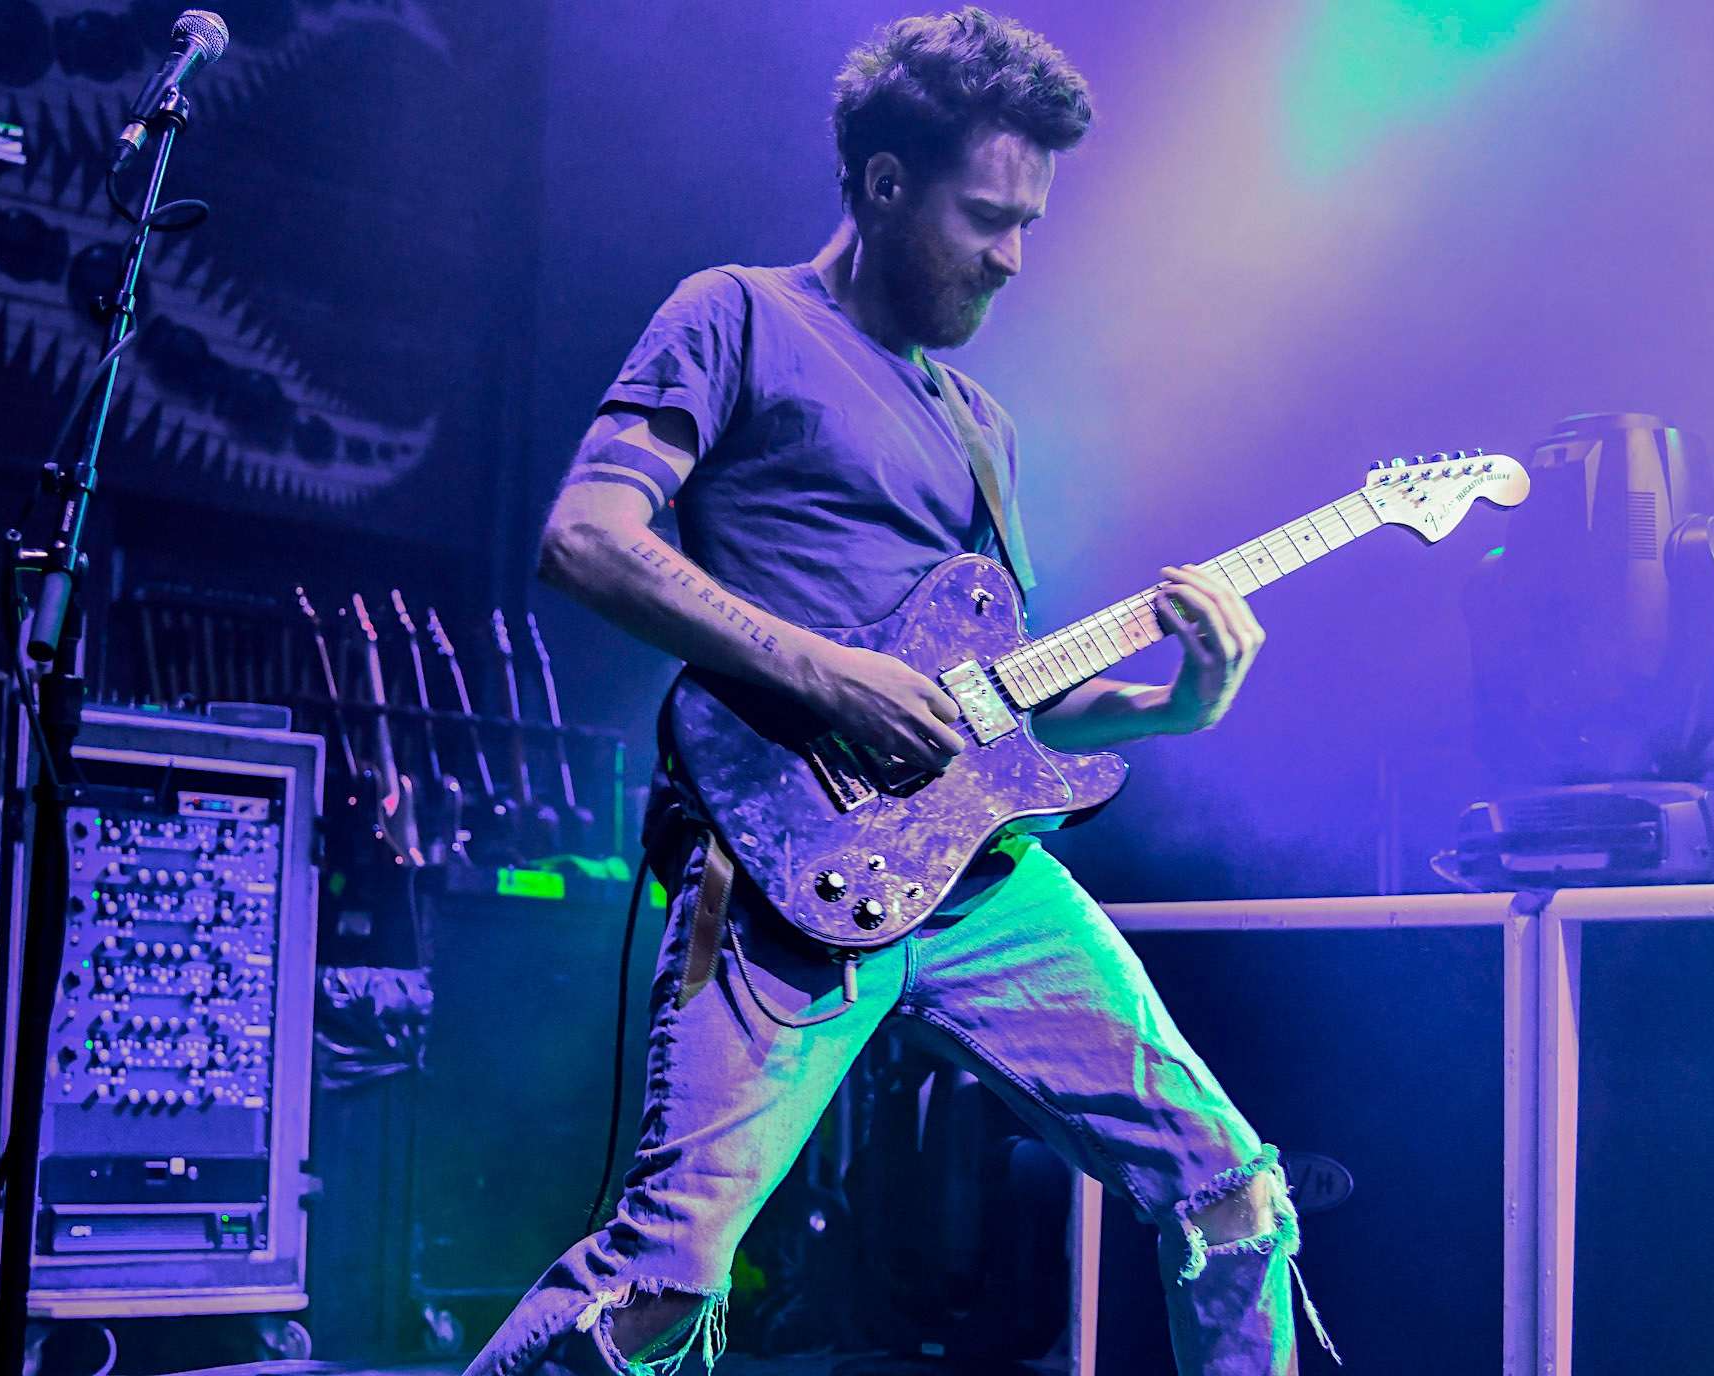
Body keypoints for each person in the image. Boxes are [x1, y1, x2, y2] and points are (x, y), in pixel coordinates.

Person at [464, 9, 1332, 1374]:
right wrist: (827, 672)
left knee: (1235, 1199)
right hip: (776, 874)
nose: (1012, 257)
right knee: (663, 1283)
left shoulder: (983, 429)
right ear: (882, 184)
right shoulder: (737, 316)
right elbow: (585, 537)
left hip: (983, 885)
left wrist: (1175, 706)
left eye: (1029, 223)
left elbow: (996, 711)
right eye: (986, 217)